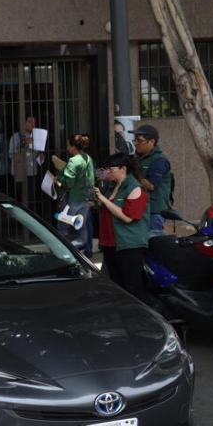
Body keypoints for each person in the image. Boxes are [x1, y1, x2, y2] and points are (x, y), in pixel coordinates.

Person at [93, 153, 154, 306]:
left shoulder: (135, 189)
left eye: (111, 168)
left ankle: (144, 319)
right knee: (116, 286)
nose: (108, 172)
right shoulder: (111, 186)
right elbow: (105, 208)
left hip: (128, 244)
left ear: (123, 169)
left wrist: (104, 200)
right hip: (109, 243)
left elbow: (128, 217)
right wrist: (95, 201)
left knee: (133, 286)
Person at [54, 134, 96, 255]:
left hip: (72, 198)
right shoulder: (87, 158)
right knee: (81, 226)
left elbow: (69, 182)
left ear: (73, 147)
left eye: (68, 145)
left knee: (63, 225)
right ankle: (82, 252)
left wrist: (59, 178)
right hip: (85, 198)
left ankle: (66, 252)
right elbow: (91, 178)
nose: (67, 147)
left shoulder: (73, 160)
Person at [133, 124, 173, 237]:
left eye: (140, 141)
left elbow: (150, 185)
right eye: (135, 140)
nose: (136, 144)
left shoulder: (159, 160)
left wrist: (133, 175)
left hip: (154, 210)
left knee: (153, 240)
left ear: (152, 142)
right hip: (142, 208)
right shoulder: (139, 158)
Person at [9, 115, 42, 211]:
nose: (33, 125)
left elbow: (36, 156)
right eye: (30, 122)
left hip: (32, 172)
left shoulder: (36, 137)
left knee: (31, 201)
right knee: (23, 200)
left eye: (34, 123)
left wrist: (41, 157)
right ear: (24, 123)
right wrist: (24, 145)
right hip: (20, 173)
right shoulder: (16, 137)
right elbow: (11, 155)